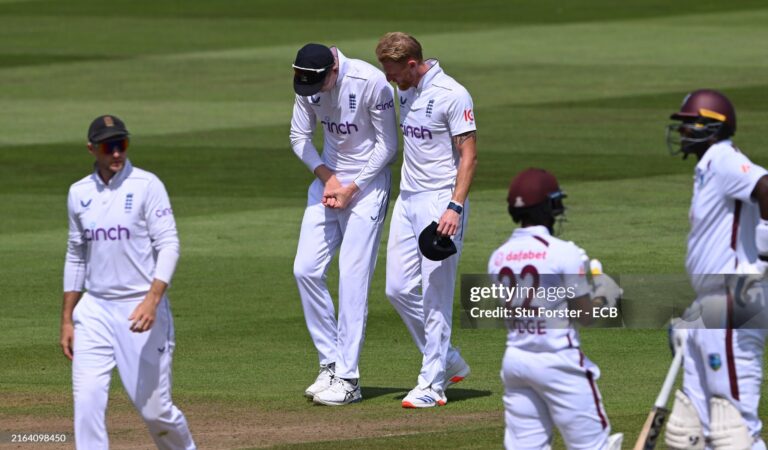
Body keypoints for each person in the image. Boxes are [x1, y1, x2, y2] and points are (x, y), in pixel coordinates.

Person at [60, 115, 196, 449]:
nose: (117, 153)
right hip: (94, 312)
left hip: (140, 309)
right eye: (109, 146)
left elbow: (169, 244)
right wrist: (67, 318)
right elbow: (76, 255)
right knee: (87, 403)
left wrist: (152, 299)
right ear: (92, 149)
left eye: (122, 144)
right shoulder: (79, 193)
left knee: (155, 411)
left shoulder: (147, 185)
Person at [290, 43, 398, 406]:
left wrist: (353, 186)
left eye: (319, 84)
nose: (313, 93)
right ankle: (330, 362)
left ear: (333, 70)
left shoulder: (372, 82)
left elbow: (388, 146)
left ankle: (349, 379)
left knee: (353, 277)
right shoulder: (307, 83)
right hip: (329, 183)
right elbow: (298, 138)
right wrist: (328, 178)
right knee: (305, 269)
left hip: (367, 188)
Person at [489, 168, 624, 450]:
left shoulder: (498, 257)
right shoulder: (563, 252)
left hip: (516, 361)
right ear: (546, 208)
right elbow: (584, 316)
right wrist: (604, 295)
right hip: (559, 362)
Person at [375, 32, 475, 408]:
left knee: (436, 297)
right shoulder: (407, 89)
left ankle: (432, 384)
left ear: (413, 64)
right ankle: (447, 358)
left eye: (395, 71)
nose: (390, 79)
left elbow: (469, 156)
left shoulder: (453, 94)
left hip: (441, 204)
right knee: (397, 289)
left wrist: (455, 207)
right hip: (408, 199)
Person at [664, 89, 768, 450]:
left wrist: (765, 256)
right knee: (697, 428)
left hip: (736, 302)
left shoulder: (724, 158)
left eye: (689, 124)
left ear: (712, 127)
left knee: (735, 428)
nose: (682, 132)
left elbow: (766, 186)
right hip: (712, 304)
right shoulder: (706, 167)